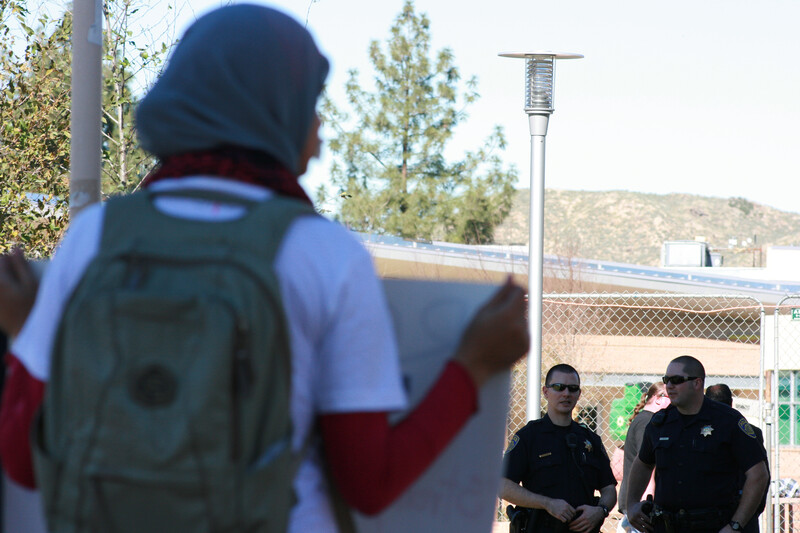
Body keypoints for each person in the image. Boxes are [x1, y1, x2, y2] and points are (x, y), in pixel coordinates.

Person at [0, 5, 530, 532]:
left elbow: (24, 460)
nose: (319, 131)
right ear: (270, 110)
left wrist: (27, 329)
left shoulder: (96, 236)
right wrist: (474, 365)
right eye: (310, 105)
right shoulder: (325, 253)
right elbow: (371, 482)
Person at [626, 356, 769, 533]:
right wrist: (631, 504)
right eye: (666, 380)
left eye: (677, 380)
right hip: (668, 525)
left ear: (697, 383)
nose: (669, 386)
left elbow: (758, 474)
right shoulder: (660, 423)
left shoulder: (727, 421)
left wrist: (736, 525)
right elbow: (643, 463)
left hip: (714, 525)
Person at [500, 364, 617, 533]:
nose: (566, 394)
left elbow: (609, 489)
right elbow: (503, 486)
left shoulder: (590, 440)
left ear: (579, 394)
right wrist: (547, 503)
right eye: (558, 387)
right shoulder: (529, 437)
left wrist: (600, 511)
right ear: (546, 392)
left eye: (572, 389)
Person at [705, 384, 768, 533]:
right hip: (744, 510)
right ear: (731, 403)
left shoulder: (702, 430)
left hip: (710, 512)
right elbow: (762, 476)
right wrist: (753, 511)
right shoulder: (751, 431)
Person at [617, 382, 671, 533]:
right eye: (670, 397)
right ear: (658, 398)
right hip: (641, 504)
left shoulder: (643, 419)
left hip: (635, 501)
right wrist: (648, 498)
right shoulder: (647, 422)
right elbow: (646, 462)